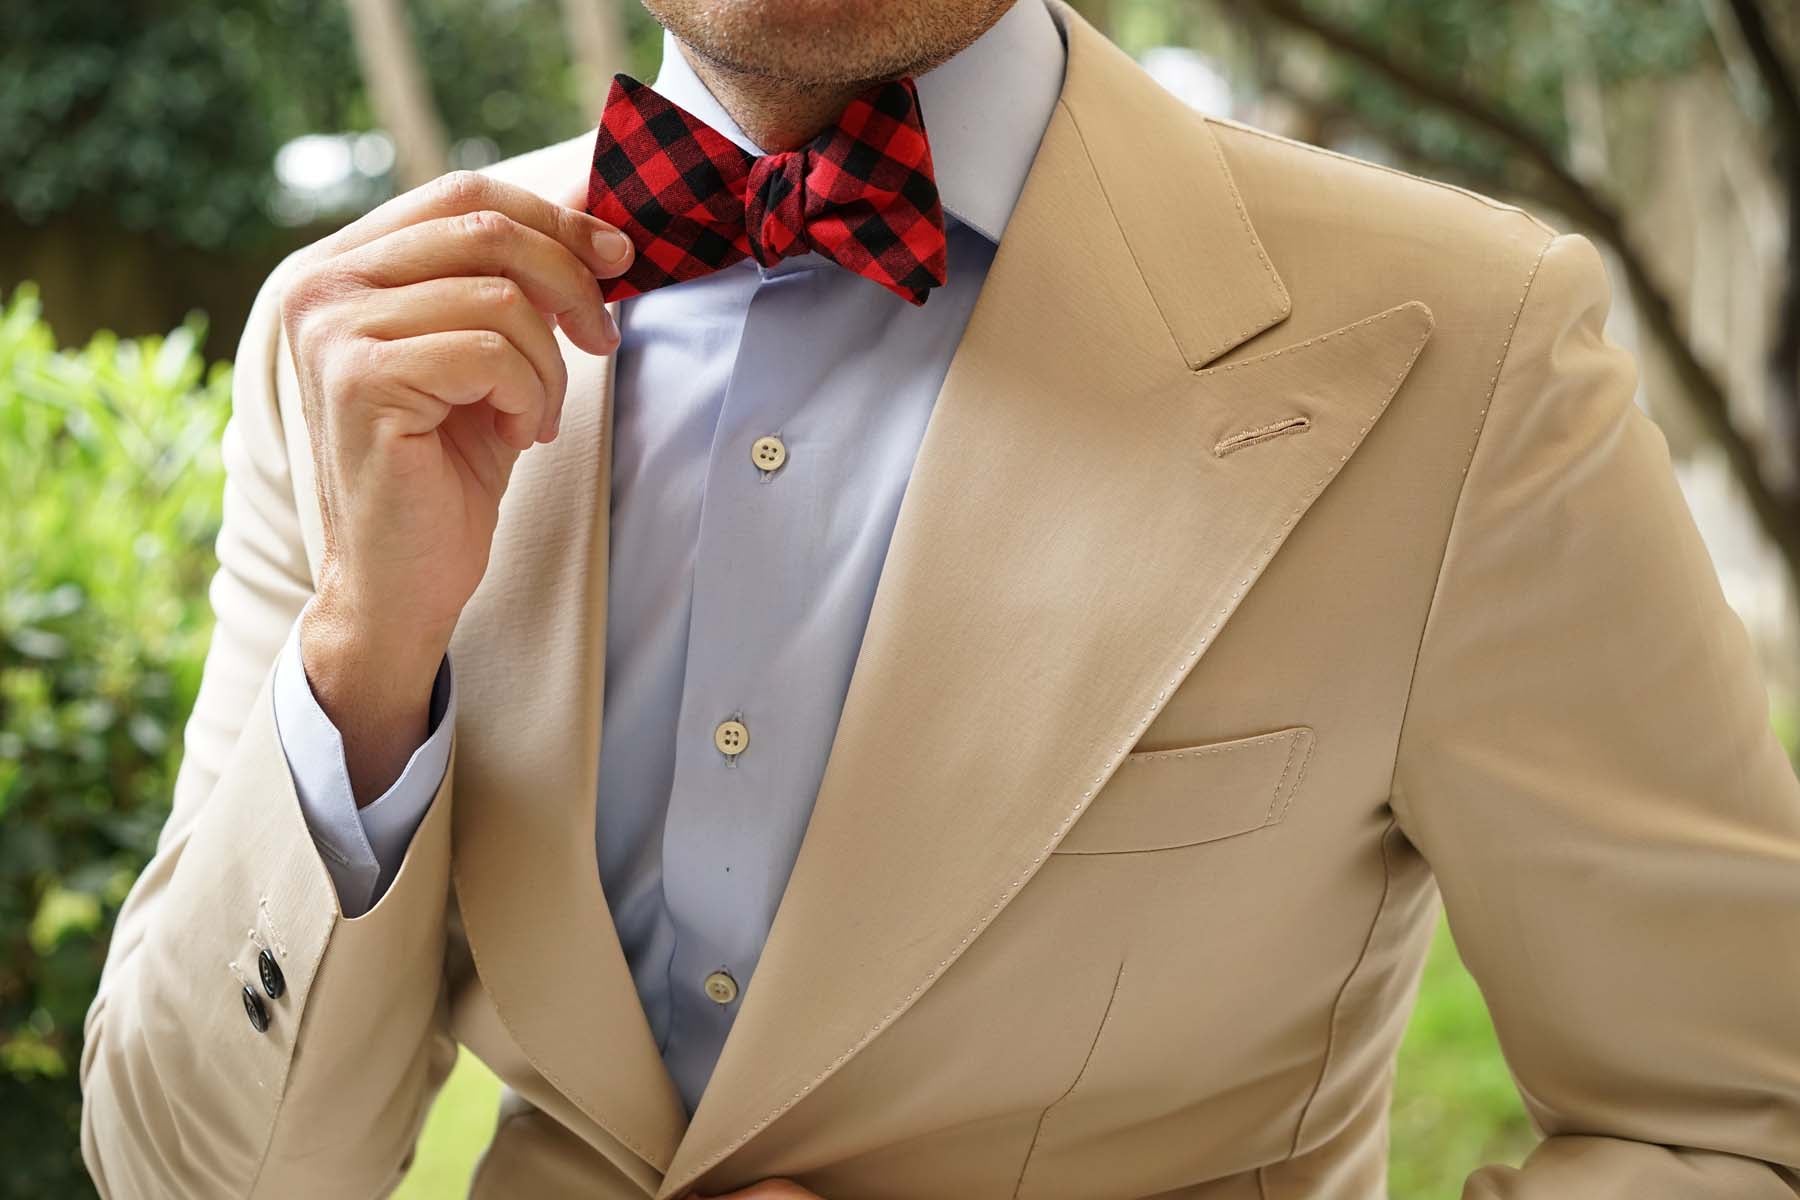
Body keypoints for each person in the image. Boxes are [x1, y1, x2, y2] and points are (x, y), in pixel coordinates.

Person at [79, 0, 1800, 1195]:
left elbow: (1740, 1124)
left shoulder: (1467, 346)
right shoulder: (358, 340)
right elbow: (190, 1178)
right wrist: (367, 664)